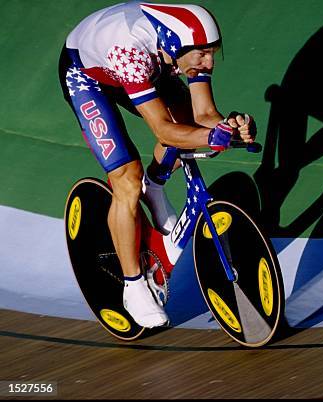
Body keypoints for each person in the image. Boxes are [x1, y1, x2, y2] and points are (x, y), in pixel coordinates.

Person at [58, 2, 256, 328]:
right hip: (88, 76)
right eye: (202, 55)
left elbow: (204, 116)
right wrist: (210, 135)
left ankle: (157, 185)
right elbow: (163, 130)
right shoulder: (132, 53)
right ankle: (133, 286)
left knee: (190, 125)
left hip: (148, 64)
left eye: (212, 53)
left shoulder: (187, 48)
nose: (208, 62)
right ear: (176, 47)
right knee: (127, 179)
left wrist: (232, 128)